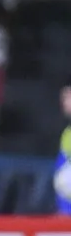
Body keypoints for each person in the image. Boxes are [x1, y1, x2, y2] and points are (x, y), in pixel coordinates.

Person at [53, 75, 71, 215]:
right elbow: (62, 178)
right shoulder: (67, 133)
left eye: (68, 96)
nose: (63, 101)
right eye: (63, 97)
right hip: (65, 213)